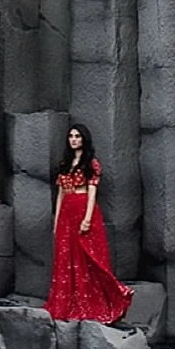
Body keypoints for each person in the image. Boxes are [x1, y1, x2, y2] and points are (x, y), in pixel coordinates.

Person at [44, 122, 133, 323]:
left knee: (89, 257)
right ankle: (67, 303)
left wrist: (87, 219)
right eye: (71, 136)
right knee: (66, 258)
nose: (74, 139)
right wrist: (57, 221)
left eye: (77, 136)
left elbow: (93, 193)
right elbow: (60, 194)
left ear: (84, 139)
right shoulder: (64, 164)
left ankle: (105, 298)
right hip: (66, 211)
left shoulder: (91, 163)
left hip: (84, 208)